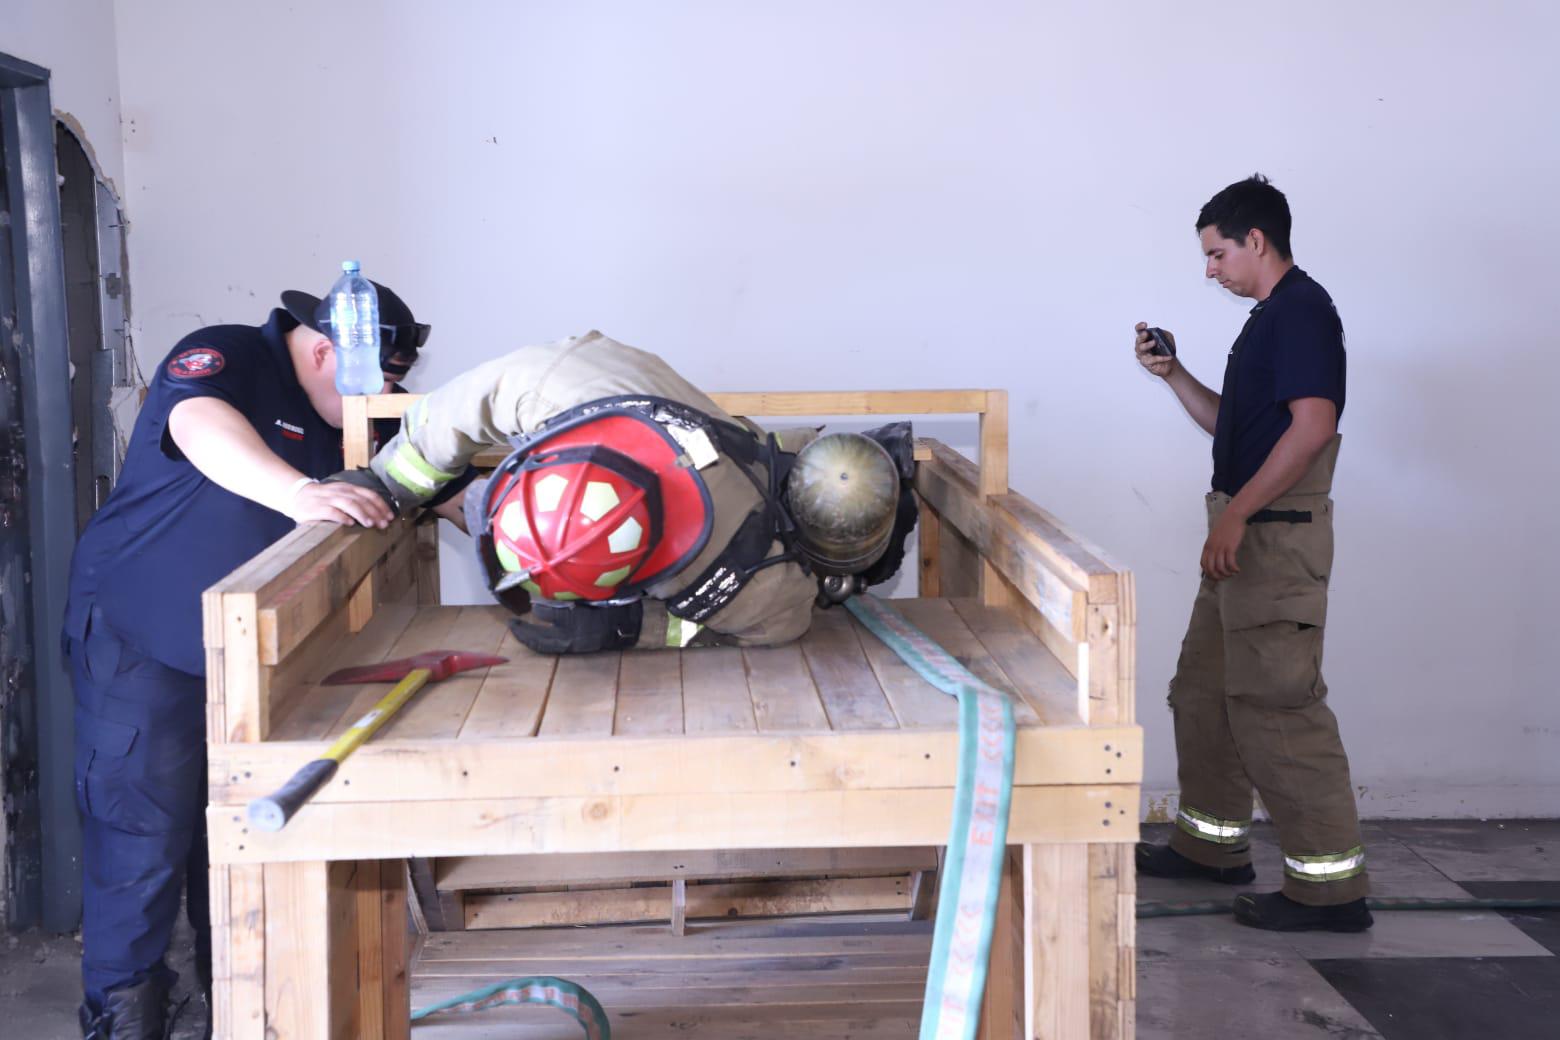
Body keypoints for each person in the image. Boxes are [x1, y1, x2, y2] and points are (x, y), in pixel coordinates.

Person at [63, 277, 445, 1038]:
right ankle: (122, 1021)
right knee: (141, 842)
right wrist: (300, 493)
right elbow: (199, 424)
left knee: (234, 844)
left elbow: (431, 477)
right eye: (377, 382)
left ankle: (230, 1011)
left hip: (245, 663)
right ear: (327, 350)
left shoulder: (342, 413)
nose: (378, 404)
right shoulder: (230, 355)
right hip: (143, 641)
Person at [349, 330, 917, 653]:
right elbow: (460, 408)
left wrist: (626, 627)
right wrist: (391, 483)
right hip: (751, 459)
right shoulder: (563, 384)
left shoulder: (766, 596)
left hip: (766, 502)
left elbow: (772, 625)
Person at [1131, 175, 1371, 932]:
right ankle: (1211, 848)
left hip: (1271, 536)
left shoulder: (1302, 312)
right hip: (1243, 533)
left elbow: (1313, 427)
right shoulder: (1268, 321)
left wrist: (1235, 515)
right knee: (1202, 693)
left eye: (1216, 253)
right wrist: (1172, 374)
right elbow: (1234, 428)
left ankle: (1330, 893)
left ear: (1257, 241)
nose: (1210, 269)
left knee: (1277, 706)